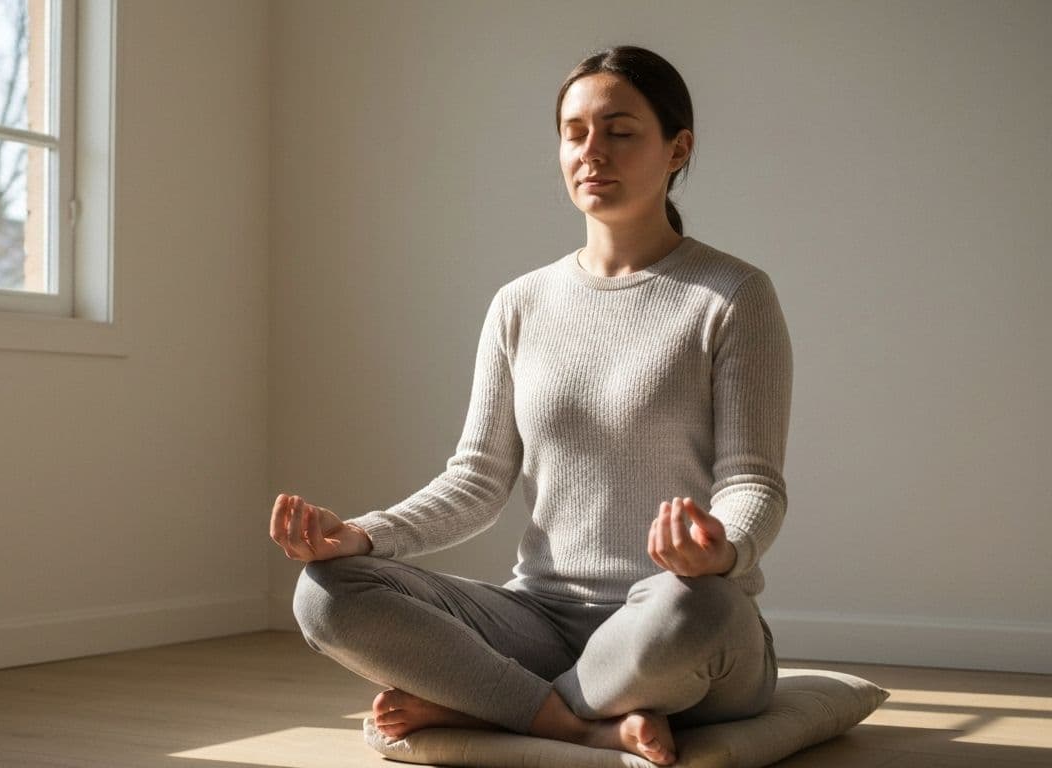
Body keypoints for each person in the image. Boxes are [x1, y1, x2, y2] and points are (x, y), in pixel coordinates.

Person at [268, 44, 792, 766]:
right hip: (540, 618)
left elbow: (752, 482)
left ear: (678, 149)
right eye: (574, 132)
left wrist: (721, 551)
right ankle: (573, 720)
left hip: (676, 615)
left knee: (693, 612)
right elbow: (477, 480)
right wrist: (361, 536)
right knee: (324, 593)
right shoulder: (521, 304)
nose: (591, 152)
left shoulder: (732, 296)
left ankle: (490, 702)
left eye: (620, 130)